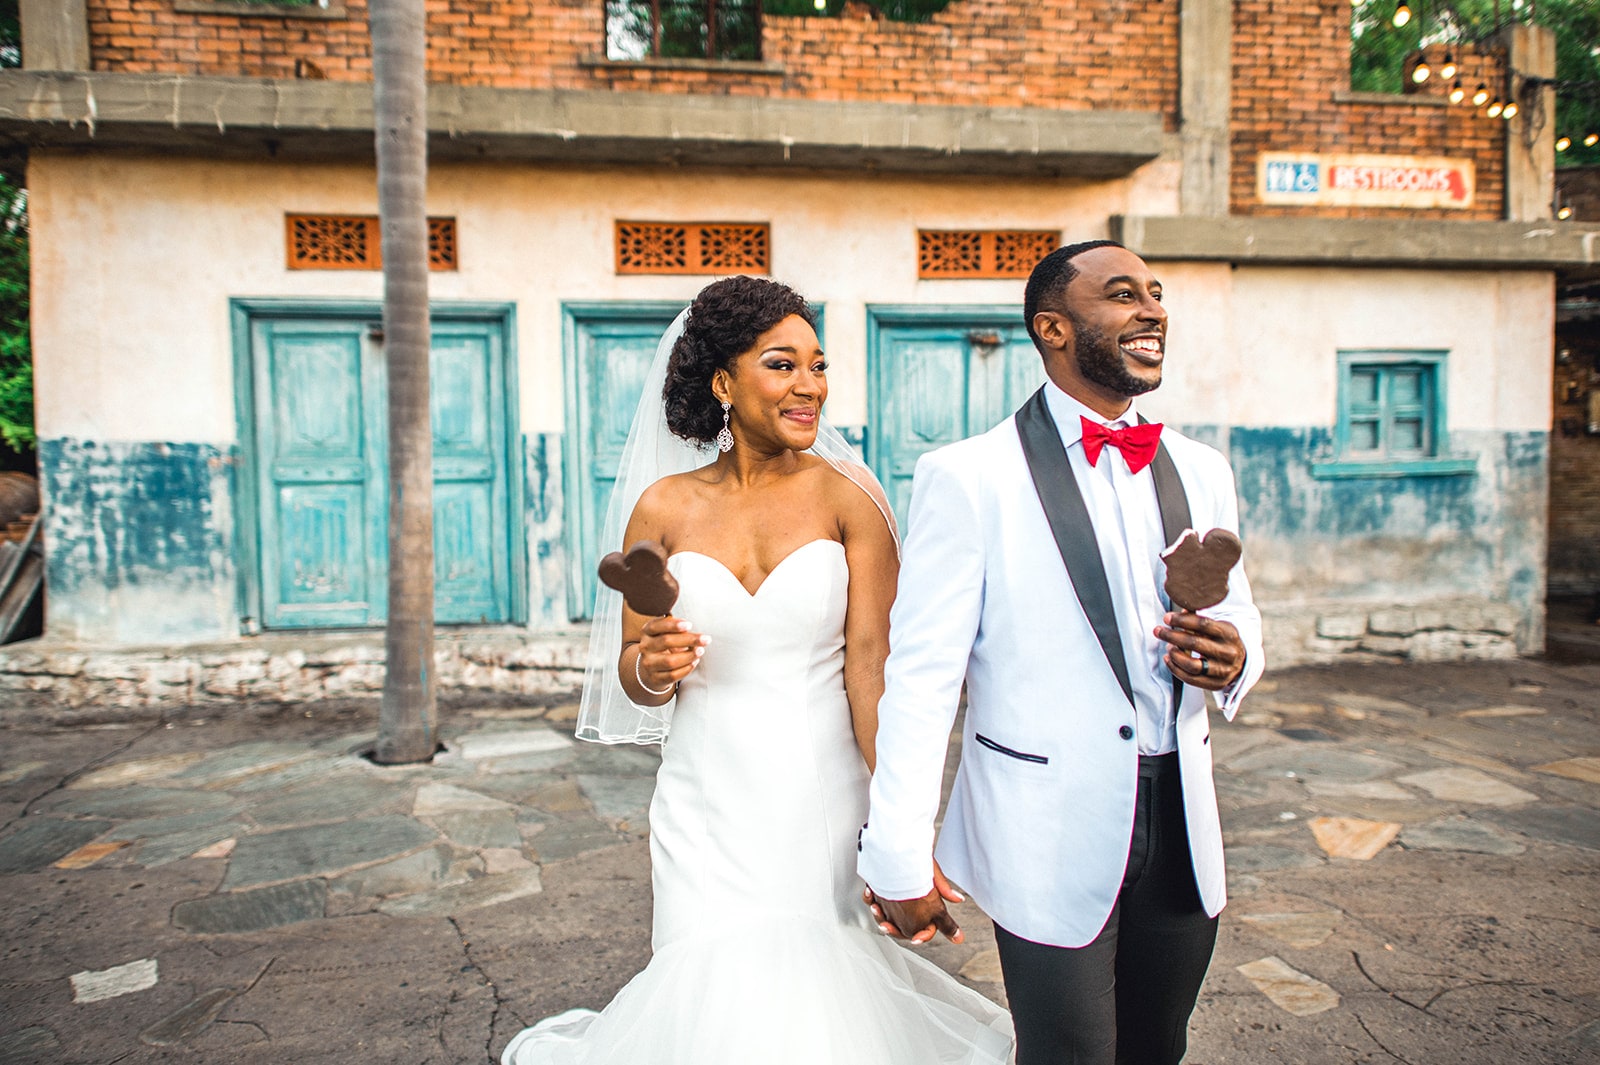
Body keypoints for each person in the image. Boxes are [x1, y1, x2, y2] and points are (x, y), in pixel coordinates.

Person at [501, 276, 1012, 1065]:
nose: (810, 385)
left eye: (818, 365)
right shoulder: (662, 508)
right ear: (722, 382)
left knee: (819, 1001)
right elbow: (636, 678)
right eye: (782, 364)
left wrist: (902, 823)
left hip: (821, 795)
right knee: (707, 988)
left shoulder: (852, 501)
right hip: (703, 800)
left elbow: (872, 670)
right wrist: (654, 663)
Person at [858, 241, 1265, 1065]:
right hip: (1044, 822)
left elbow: (1241, 613)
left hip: (1182, 818)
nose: (1152, 310)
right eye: (1122, 295)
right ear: (1052, 327)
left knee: (1160, 1046)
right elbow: (922, 676)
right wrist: (898, 853)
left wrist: (1236, 656)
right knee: (1069, 1053)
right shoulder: (968, 476)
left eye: (1156, 292)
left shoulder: (1202, 467)